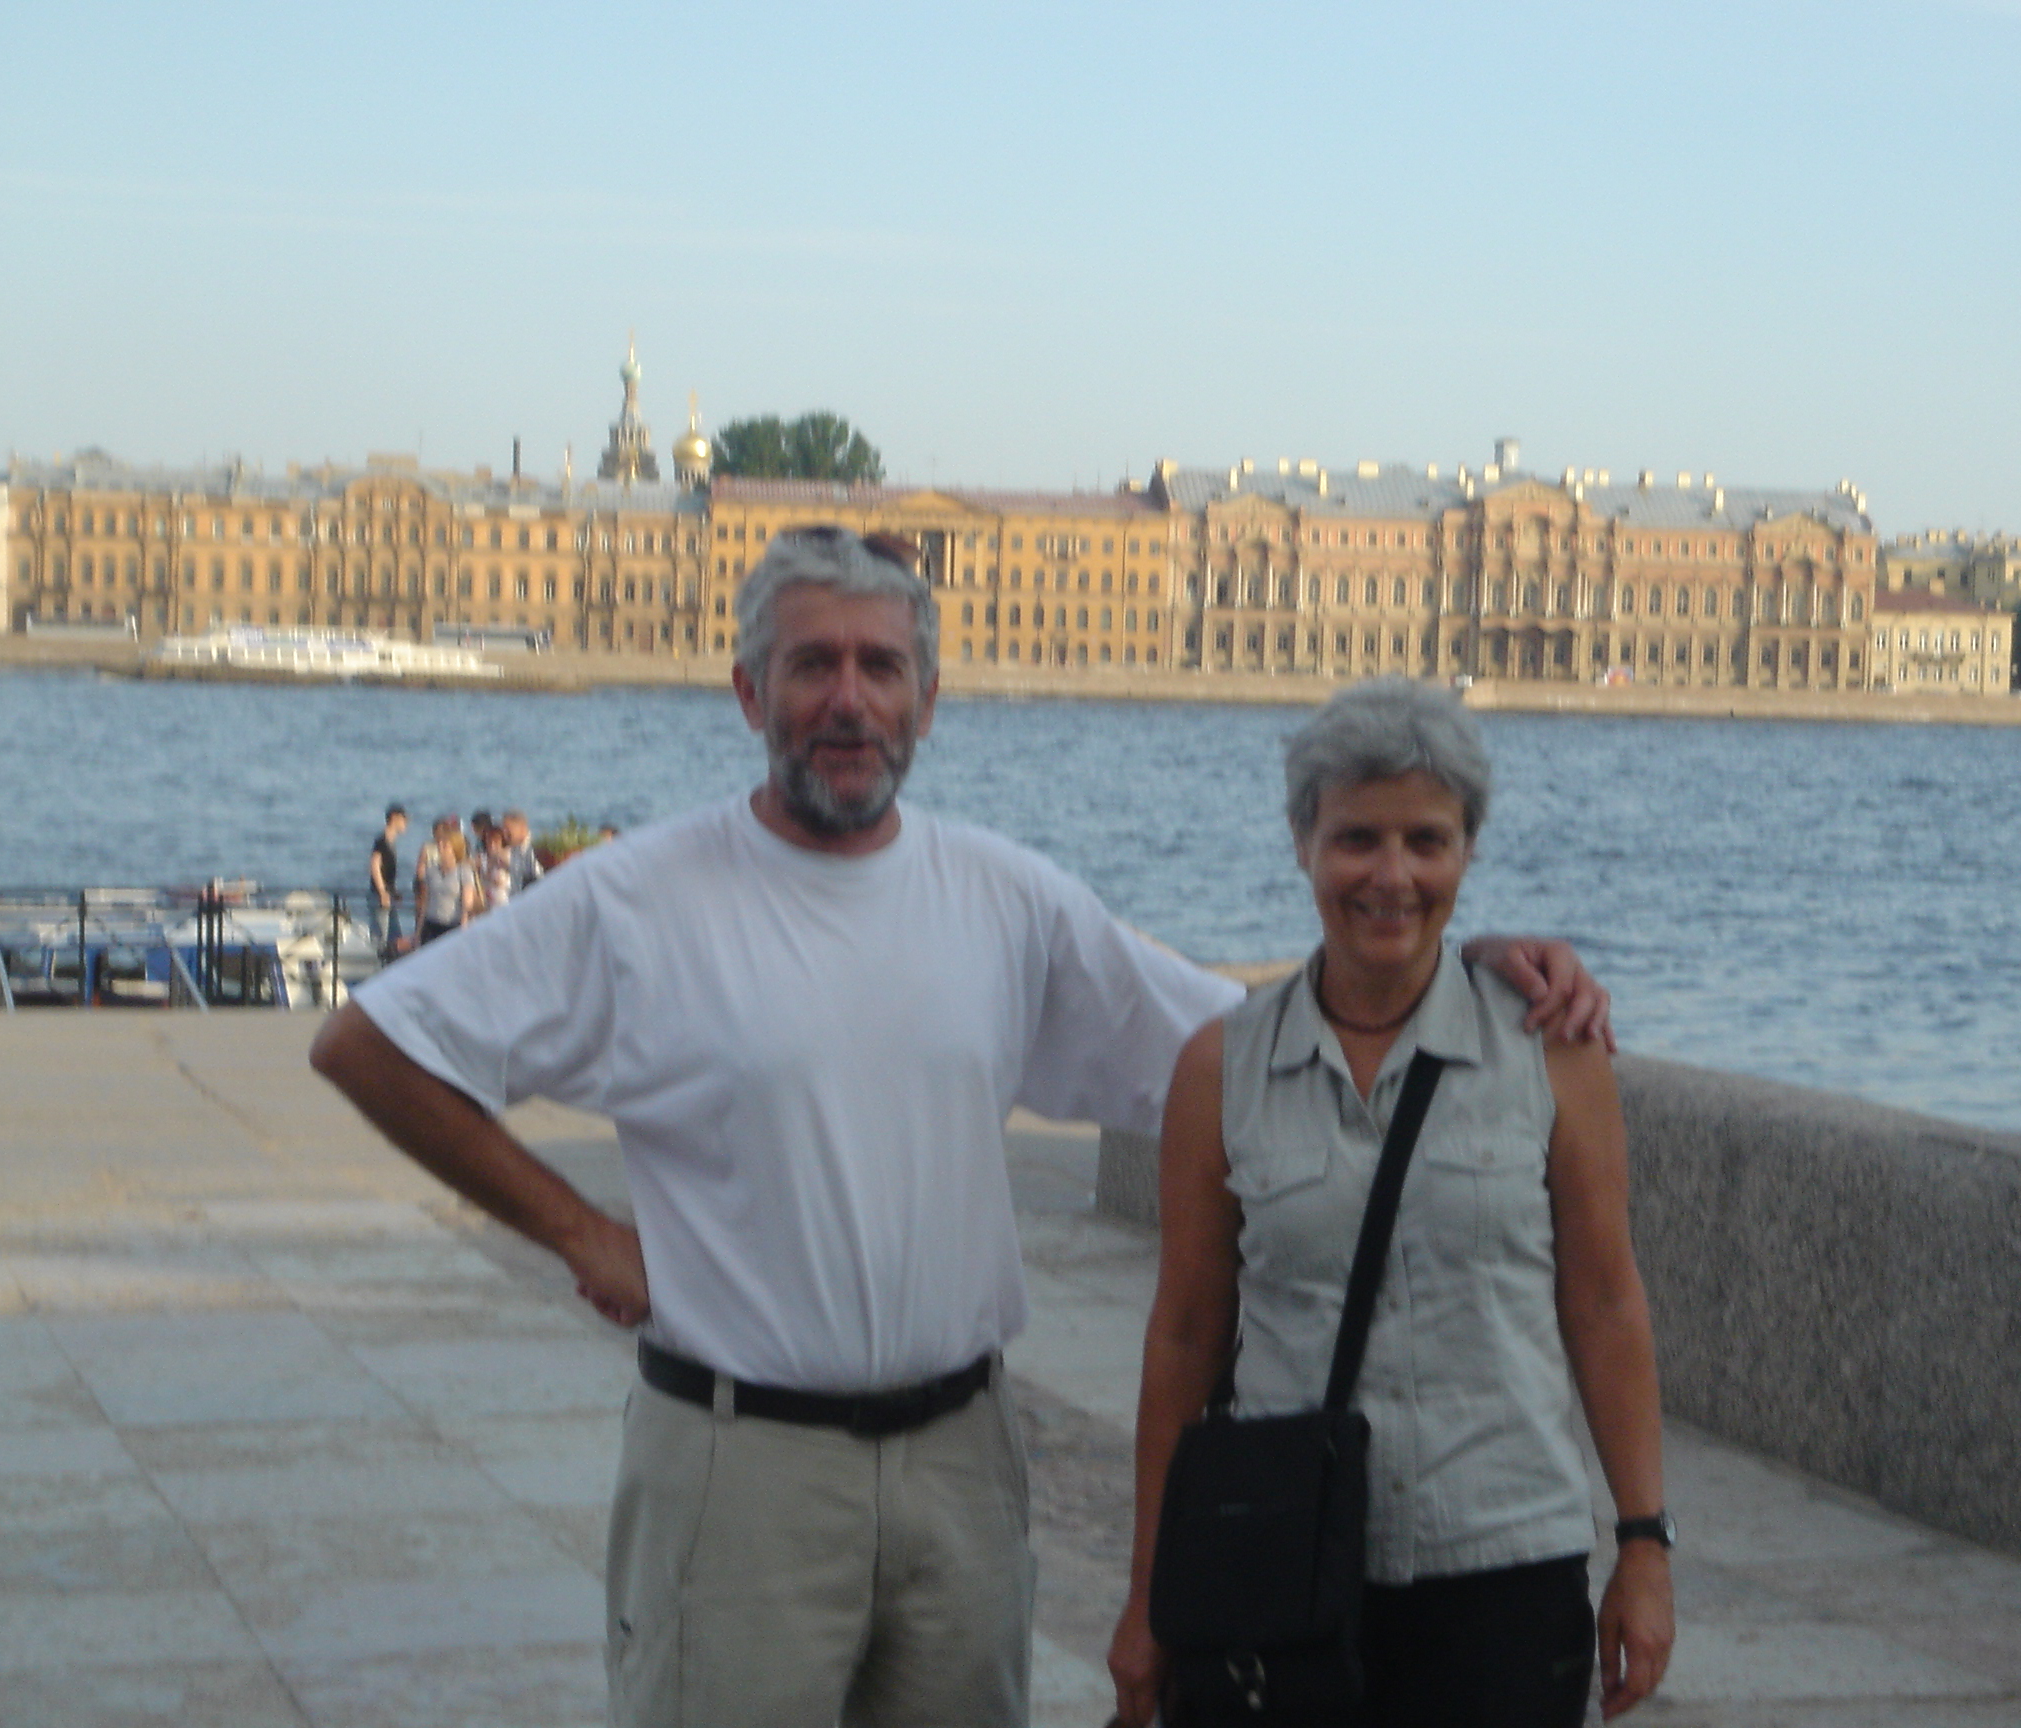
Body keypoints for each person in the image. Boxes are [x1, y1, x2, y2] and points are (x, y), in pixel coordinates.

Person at [308, 528, 1611, 1728]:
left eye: (882, 667)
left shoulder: (1006, 901)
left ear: (929, 701)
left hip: (960, 1467)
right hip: (738, 1469)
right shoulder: (639, 899)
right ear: (750, 693)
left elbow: (1254, 1046)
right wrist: (580, 1232)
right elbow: (370, 1045)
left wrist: (1446, 957)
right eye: (812, 664)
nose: (849, 699)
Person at [1109, 677, 1674, 1728]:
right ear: (1303, 845)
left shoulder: (1551, 1054)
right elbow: (1186, 1330)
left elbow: (1604, 1303)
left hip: (1503, 1566)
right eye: (1357, 839)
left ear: (1468, 852)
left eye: (1427, 841)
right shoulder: (1223, 1068)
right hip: (1282, 1571)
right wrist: (1149, 1592)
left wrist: (1644, 1544)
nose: (1392, 876)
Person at [411, 815, 477, 945]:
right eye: (440, 845)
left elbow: (467, 905)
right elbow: (425, 902)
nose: (440, 848)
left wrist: (464, 928)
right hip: (431, 924)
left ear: (454, 849)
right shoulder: (431, 870)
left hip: (452, 925)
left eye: (445, 846)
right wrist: (418, 931)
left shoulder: (463, 871)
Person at [368, 804, 409, 958]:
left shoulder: (391, 842)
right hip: (380, 895)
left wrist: (394, 891)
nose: (405, 824)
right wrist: (382, 892)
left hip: (389, 893)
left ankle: (392, 962)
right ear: (394, 818)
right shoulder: (382, 841)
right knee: (381, 935)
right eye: (404, 820)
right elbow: (374, 865)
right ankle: (380, 963)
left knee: (394, 935)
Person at [500, 808, 546, 894]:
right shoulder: (514, 850)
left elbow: (540, 881)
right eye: (503, 830)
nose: (504, 834)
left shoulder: (534, 851)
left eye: (508, 830)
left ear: (522, 828)